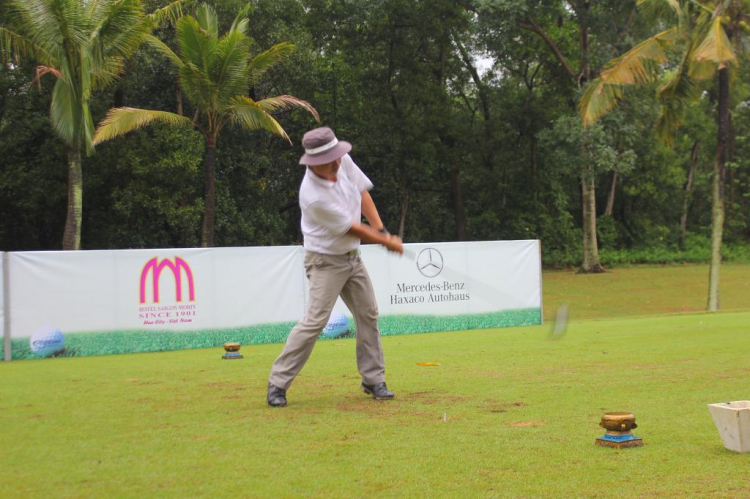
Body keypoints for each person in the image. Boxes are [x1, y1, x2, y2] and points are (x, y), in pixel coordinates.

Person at [267, 127, 403, 407]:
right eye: (331, 159)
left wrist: (381, 229)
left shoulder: (343, 161)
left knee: (368, 313)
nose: (338, 162)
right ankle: (278, 383)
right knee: (315, 320)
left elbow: (362, 193)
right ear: (315, 162)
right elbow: (351, 228)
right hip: (325, 261)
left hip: (352, 257)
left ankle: (373, 379)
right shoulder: (312, 195)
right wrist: (384, 241)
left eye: (338, 156)